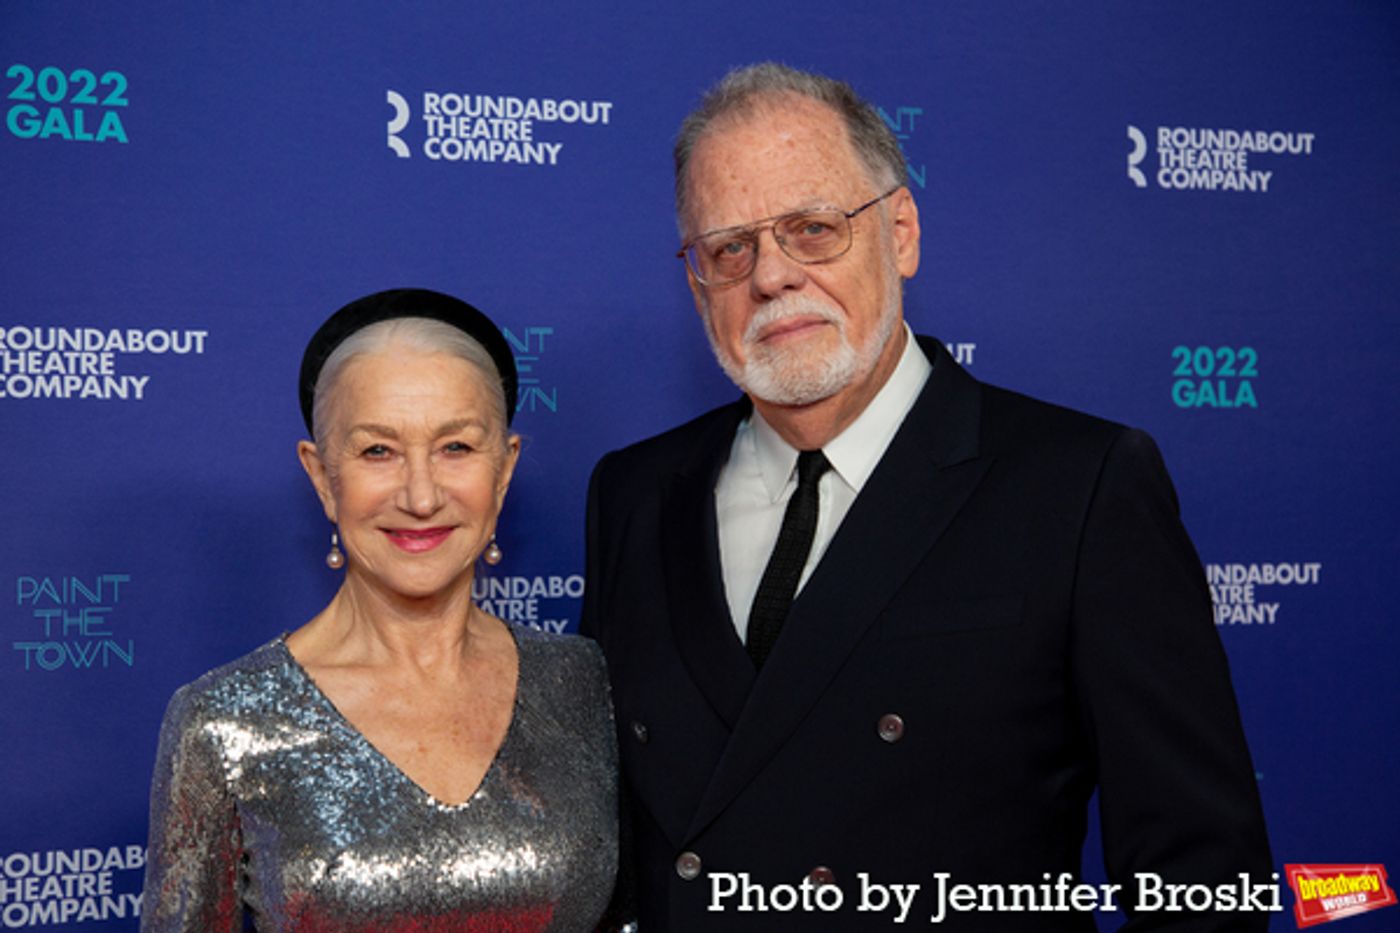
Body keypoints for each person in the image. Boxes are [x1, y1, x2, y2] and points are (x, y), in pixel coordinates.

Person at [581, 64, 1273, 930]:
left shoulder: (1080, 484)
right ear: (697, 281)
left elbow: (1202, 882)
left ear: (900, 232)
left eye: (813, 228)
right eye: (730, 248)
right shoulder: (635, 493)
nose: (771, 276)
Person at [142, 289, 628, 932]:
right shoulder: (224, 723)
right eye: (378, 451)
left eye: (456, 447)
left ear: (505, 470)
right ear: (321, 477)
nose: (421, 496)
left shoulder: (581, 679)